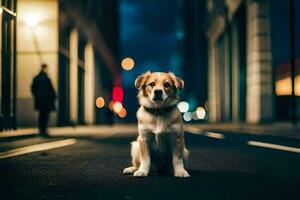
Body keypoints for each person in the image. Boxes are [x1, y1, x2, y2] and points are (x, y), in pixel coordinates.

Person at [31, 64, 56, 137]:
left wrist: (37, 96)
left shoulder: (36, 78)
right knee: (45, 116)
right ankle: (43, 130)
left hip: (40, 101)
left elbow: (33, 89)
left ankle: (41, 130)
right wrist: (53, 97)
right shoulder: (46, 79)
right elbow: (51, 90)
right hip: (46, 101)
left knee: (41, 115)